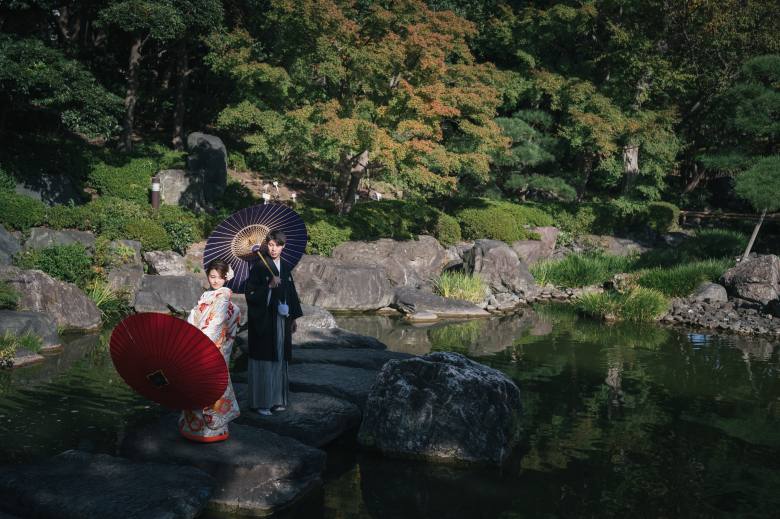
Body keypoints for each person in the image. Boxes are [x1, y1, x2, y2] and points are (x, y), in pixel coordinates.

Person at [178, 258, 241, 442]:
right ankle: (198, 427)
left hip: (210, 347)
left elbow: (214, 326)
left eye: (219, 277)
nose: (215, 281)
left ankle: (209, 430)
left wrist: (196, 341)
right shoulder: (208, 296)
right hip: (202, 342)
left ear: (225, 278)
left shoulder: (223, 299)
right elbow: (194, 318)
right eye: (212, 276)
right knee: (200, 386)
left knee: (207, 385)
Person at [245, 229, 303, 415]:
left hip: (282, 320)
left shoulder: (285, 267)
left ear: (283, 246)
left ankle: (277, 399)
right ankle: (262, 402)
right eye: (270, 245)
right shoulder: (259, 267)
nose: (273, 249)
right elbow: (250, 294)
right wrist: (268, 287)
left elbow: (291, 293)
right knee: (265, 360)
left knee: (280, 359)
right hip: (265, 320)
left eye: (277, 245)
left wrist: (293, 317)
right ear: (266, 245)